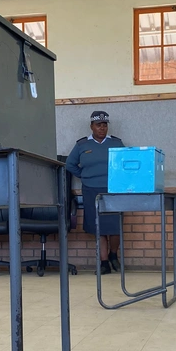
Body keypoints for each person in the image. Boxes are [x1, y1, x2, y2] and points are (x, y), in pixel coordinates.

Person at [65, 110, 125, 274]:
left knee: (114, 226)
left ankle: (113, 255)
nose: (102, 128)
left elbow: (125, 164)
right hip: (91, 190)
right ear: (91, 126)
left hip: (113, 190)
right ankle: (104, 263)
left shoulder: (116, 143)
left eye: (105, 125)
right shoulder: (82, 145)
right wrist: (84, 176)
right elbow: (69, 165)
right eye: (98, 125)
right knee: (99, 227)